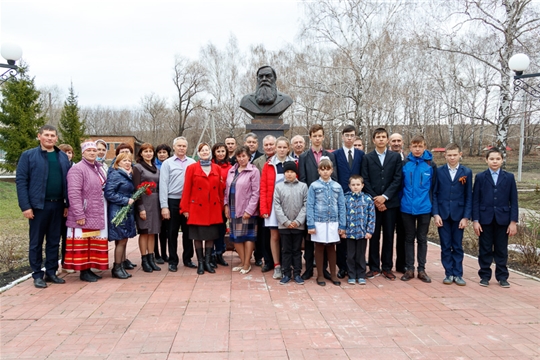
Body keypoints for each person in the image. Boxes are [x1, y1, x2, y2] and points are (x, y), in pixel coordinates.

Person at [16, 125, 70, 288]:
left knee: (54, 241)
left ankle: (51, 272)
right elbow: (21, 181)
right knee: (36, 242)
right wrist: (26, 206)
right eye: (46, 135)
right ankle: (37, 274)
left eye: (52, 135)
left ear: (56, 139)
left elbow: (68, 182)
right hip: (38, 207)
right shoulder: (29, 156)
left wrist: (67, 203)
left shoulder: (62, 157)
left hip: (59, 206)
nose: (49, 138)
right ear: (39, 136)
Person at [361, 128, 403, 281]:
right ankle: (373, 267)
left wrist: (385, 197)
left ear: (387, 140)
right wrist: (375, 199)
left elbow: (397, 179)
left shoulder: (395, 157)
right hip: (373, 204)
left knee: (389, 236)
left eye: (383, 137)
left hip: (390, 204)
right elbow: (364, 179)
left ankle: (387, 267)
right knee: (373, 235)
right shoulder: (367, 158)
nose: (380, 139)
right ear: (373, 140)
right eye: (378, 137)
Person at [473, 148, 518, 288]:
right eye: (491, 159)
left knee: (501, 249)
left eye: (497, 159)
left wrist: (513, 222)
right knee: (485, 248)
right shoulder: (480, 177)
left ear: (502, 160)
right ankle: (485, 275)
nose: (494, 161)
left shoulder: (509, 177)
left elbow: (514, 201)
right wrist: (475, 220)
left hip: (503, 219)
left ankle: (502, 276)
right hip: (485, 219)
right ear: (486, 160)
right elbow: (476, 200)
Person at [64, 141, 108, 282]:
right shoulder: (78, 169)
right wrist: (79, 213)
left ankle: (89, 268)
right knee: (83, 241)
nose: (92, 153)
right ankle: (83, 270)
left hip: (97, 210)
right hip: (84, 210)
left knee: (92, 240)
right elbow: (74, 192)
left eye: (94, 150)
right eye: (88, 150)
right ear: (83, 153)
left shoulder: (98, 168)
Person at [298, 124, 338, 281]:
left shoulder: (330, 155)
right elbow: (302, 179)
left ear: (323, 137)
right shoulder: (304, 157)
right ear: (310, 137)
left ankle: (324, 270)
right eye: (314, 135)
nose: (317, 138)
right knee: (310, 237)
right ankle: (308, 269)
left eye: (320, 135)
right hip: (311, 201)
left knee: (327, 239)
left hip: (327, 203)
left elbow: (335, 177)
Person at [181, 143, 224, 275]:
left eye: (207, 150)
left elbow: (221, 190)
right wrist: (185, 209)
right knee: (198, 236)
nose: (205, 152)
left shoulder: (216, 168)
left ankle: (207, 262)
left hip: (213, 208)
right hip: (196, 208)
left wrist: (222, 206)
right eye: (202, 150)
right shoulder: (192, 168)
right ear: (198, 153)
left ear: (210, 153)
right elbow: (187, 188)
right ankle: (200, 262)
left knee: (211, 236)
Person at [432, 143, 472, 286]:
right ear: (445, 156)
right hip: (443, 214)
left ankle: (458, 273)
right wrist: (436, 214)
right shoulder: (440, 171)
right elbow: (435, 194)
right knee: (445, 245)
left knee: (457, 245)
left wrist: (466, 217)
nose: (452, 157)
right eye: (449, 155)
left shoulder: (466, 172)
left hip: (459, 215)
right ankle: (448, 273)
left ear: (460, 154)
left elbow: (469, 196)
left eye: (455, 155)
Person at [400, 135, 437, 283]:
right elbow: (400, 185)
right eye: (414, 146)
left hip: (424, 208)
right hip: (407, 207)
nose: (417, 149)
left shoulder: (430, 165)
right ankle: (409, 269)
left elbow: (434, 188)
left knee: (422, 238)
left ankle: (422, 269)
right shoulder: (405, 163)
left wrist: (432, 206)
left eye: (420, 146)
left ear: (424, 147)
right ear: (410, 147)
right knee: (408, 238)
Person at [306, 158, 346, 287]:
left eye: (327, 169)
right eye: (322, 170)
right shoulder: (314, 186)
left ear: (332, 170)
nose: (325, 172)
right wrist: (311, 224)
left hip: (333, 222)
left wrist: (342, 224)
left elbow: (341, 206)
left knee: (331, 247)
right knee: (319, 247)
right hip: (319, 222)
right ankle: (320, 275)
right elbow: (310, 205)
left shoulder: (337, 186)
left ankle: (333, 273)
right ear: (318, 171)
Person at [260, 136, 296, 280]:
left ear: (288, 149)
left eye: (284, 147)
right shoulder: (268, 164)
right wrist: (263, 209)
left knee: (288, 237)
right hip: (273, 206)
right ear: (275, 148)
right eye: (279, 147)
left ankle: (290, 264)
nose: (281, 150)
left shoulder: (294, 163)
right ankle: (277, 265)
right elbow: (263, 188)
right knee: (274, 236)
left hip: (290, 206)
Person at [159, 137, 196, 272]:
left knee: (188, 232)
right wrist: (164, 206)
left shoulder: (192, 162)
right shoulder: (167, 164)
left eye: (184, 146)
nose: (181, 148)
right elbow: (163, 185)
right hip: (172, 200)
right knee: (172, 232)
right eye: (179, 146)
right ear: (174, 147)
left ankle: (188, 259)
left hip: (188, 202)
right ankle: (173, 260)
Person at [333, 125, 365, 279]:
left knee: (357, 236)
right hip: (342, 199)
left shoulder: (361, 154)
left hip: (358, 201)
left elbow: (363, 174)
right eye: (347, 135)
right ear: (342, 137)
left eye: (352, 135)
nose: (349, 138)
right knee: (342, 234)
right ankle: (342, 267)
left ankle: (358, 267)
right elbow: (335, 176)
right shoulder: (336, 154)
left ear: (355, 136)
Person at [224, 146, 260, 274]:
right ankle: (243, 260)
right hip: (234, 207)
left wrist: (249, 210)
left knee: (247, 236)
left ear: (249, 157)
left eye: (244, 156)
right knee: (236, 237)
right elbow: (226, 190)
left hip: (247, 209)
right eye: (239, 156)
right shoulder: (232, 171)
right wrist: (226, 205)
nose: (241, 159)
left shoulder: (253, 171)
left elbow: (256, 192)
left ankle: (246, 263)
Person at [273, 161, 308, 285]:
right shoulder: (279, 187)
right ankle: (286, 273)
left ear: (296, 173)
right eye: (287, 172)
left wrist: (298, 221)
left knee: (297, 250)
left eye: (292, 172)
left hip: (298, 225)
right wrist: (286, 221)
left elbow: (306, 204)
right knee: (286, 250)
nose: (289, 174)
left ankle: (297, 273)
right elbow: (277, 205)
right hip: (284, 225)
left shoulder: (303, 186)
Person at [105, 153, 137, 279]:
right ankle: (117, 267)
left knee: (123, 239)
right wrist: (125, 200)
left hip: (126, 211)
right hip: (118, 211)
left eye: (129, 161)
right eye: (124, 160)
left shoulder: (128, 174)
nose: (128, 163)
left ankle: (120, 266)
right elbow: (109, 193)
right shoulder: (116, 174)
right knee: (121, 239)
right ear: (118, 162)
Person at [133, 143, 162, 273]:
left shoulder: (156, 167)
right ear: (141, 153)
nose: (149, 153)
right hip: (144, 201)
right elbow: (136, 189)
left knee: (153, 232)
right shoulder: (138, 168)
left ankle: (151, 258)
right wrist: (141, 208)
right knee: (144, 232)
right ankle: (144, 259)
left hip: (155, 201)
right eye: (146, 151)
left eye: (151, 151)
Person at [342, 175, 375, 285]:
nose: (355, 187)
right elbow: (342, 215)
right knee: (350, 255)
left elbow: (371, 216)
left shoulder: (367, 199)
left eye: (358, 185)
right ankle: (351, 274)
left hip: (362, 233)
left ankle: (361, 275)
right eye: (353, 185)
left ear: (362, 186)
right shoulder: (345, 199)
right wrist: (343, 230)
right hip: (349, 233)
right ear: (349, 186)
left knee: (361, 255)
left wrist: (369, 231)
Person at [253, 134, 277, 271]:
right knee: (265, 234)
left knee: (278, 234)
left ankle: (278, 261)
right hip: (264, 203)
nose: (269, 147)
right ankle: (267, 260)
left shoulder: (282, 160)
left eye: (271, 144)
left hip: (280, 203)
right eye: (266, 145)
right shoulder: (258, 162)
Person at [388, 132, 406, 273]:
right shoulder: (386, 158)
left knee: (403, 234)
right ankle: (386, 264)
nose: (396, 143)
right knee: (387, 234)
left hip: (404, 203)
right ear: (389, 142)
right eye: (393, 140)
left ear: (402, 142)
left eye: (398, 140)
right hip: (388, 202)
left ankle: (401, 264)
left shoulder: (408, 160)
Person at [211, 143, 231, 267]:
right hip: (211, 203)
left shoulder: (230, 167)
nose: (220, 154)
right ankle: (211, 253)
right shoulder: (209, 166)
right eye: (218, 151)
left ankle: (219, 253)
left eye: (223, 151)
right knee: (211, 230)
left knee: (221, 229)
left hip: (223, 203)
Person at [153, 143, 171, 264]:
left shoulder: (170, 165)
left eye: (164, 152)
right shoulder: (153, 166)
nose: (162, 154)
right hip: (154, 200)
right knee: (155, 229)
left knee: (165, 230)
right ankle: (156, 253)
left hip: (166, 199)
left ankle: (164, 253)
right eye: (159, 152)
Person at [58, 143, 74, 273]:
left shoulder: (74, 167)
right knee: (55, 236)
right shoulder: (58, 167)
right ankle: (52, 265)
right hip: (58, 205)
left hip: (71, 208)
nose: (67, 155)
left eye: (69, 152)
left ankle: (66, 261)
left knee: (67, 236)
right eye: (65, 152)